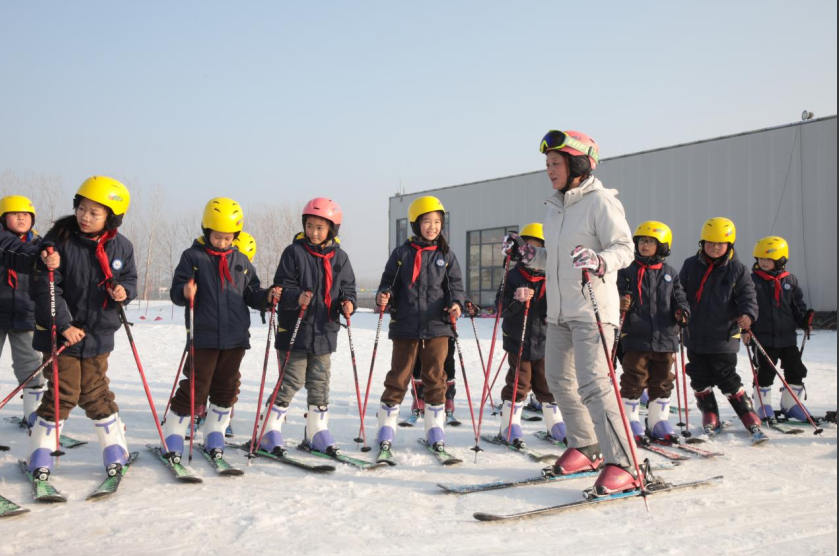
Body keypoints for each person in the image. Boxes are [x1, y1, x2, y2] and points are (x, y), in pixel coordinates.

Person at [504, 130, 640, 496]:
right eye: (547, 164)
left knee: (595, 385)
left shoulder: (600, 202)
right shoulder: (556, 205)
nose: (549, 170)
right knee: (559, 381)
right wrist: (527, 254)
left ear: (578, 164)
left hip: (593, 311)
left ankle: (625, 463)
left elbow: (625, 249)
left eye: (555, 163)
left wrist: (599, 261)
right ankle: (586, 445)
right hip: (560, 311)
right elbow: (555, 259)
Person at [27, 176, 136, 480]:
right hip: (61, 335)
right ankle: (40, 451)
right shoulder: (57, 241)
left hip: (99, 333)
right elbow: (46, 287)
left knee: (95, 390)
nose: (85, 217)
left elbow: (130, 279)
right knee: (64, 392)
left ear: (111, 217)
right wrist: (64, 325)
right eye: (82, 209)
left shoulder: (121, 246)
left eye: (94, 213)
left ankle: (115, 447)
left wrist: (123, 291)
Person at [164, 199, 277, 461]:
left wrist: (267, 298)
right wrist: (185, 291)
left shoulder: (242, 261)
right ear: (207, 231)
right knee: (196, 386)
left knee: (227, 386)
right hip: (203, 335)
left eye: (228, 238)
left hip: (235, 336)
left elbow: (252, 292)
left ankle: (215, 433)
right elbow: (176, 291)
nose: (223, 243)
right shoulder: (193, 257)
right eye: (218, 237)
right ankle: (173, 435)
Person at [259, 198, 356, 457]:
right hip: (295, 330)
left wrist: (348, 304)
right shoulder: (294, 253)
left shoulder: (341, 258)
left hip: (325, 331)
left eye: (320, 227)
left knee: (320, 382)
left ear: (331, 230)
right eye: (310, 226)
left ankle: (317, 431)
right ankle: (269, 430)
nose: (314, 232)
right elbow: (282, 286)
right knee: (291, 380)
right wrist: (296, 297)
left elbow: (348, 288)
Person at [375, 196, 465, 457]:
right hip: (406, 325)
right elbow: (388, 282)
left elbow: (455, 287)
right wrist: (384, 294)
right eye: (427, 222)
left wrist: (456, 303)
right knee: (399, 378)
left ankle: (435, 431)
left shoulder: (446, 255)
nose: (432, 227)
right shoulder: (402, 253)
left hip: (438, 326)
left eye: (437, 222)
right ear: (416, 224)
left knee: (436, 379)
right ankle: (386, 431)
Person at [678, 217, 764, 437]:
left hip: (724, 335)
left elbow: (748, 297)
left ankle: (747, 413)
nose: (714, 247)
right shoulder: (690, 265)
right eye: (709, 243)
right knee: (698, 375)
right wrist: (679, 310)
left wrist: (748, 315)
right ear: (702, 243)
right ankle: (709, 412)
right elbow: (679, 292)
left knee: (725, 375)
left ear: (729, 245)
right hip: (695, 333)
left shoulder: (738, 270)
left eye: (720, 244)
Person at [617, 221, 690, 444]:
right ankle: (630, 419)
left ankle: (658, 421)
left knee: (663, 380)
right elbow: (615, 291)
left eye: (650, 242)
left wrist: (682, 311)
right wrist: (621, 301)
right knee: (634, 378)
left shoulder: (670, 273)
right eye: (641, 241)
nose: (645, 246)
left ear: (662, 246)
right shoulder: (627, 269)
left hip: (666, 336)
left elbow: (680, 297)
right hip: (636, 335)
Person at [496, 223, 566, 448]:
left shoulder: (552, 277)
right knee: (520, 381)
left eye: (538, 250)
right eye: (528, 249)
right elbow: (501, 308)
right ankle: (509, 424)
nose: (531, 255)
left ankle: (554, 423)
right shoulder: (513, 275)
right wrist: (516, 299)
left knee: (548, 383)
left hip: (546, 340)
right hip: (519, 338)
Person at [746, 236, 814, 422]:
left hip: (787, 337)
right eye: (760, 259)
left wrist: (803, 320)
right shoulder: (752, 281)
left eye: (768, 259)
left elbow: (797, 305)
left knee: (796, 369)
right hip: (763, 337)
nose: (764, 262)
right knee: (765, 370)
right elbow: (747, 305)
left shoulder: (789, 280)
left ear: (781, 259)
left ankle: (791, 403)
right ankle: (762, 404)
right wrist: (746, 326)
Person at [0, 196, 53, 427]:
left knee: (30, 366)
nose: (21, 217)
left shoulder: (41, 245)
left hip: (25, 314)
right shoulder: (5, 242)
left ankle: (33, 417)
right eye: (14, 214)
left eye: (26, 214)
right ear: (3, 218)